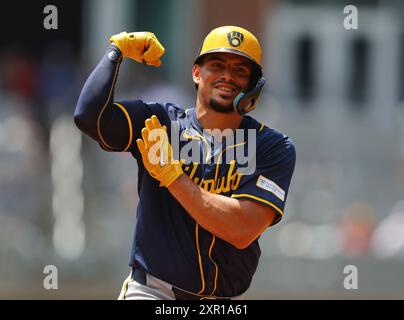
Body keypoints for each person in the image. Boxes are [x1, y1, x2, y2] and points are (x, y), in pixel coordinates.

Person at [74, 25, 296, 300]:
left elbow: (242, 229)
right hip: (153, 291)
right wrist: (115, 53)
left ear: (253, 86)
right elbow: (88, 116)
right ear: (196, 73)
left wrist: (174, 178)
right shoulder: (160, 123)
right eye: (217, 65)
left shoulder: (271, 146)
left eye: (240, 70)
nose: (228, 76)